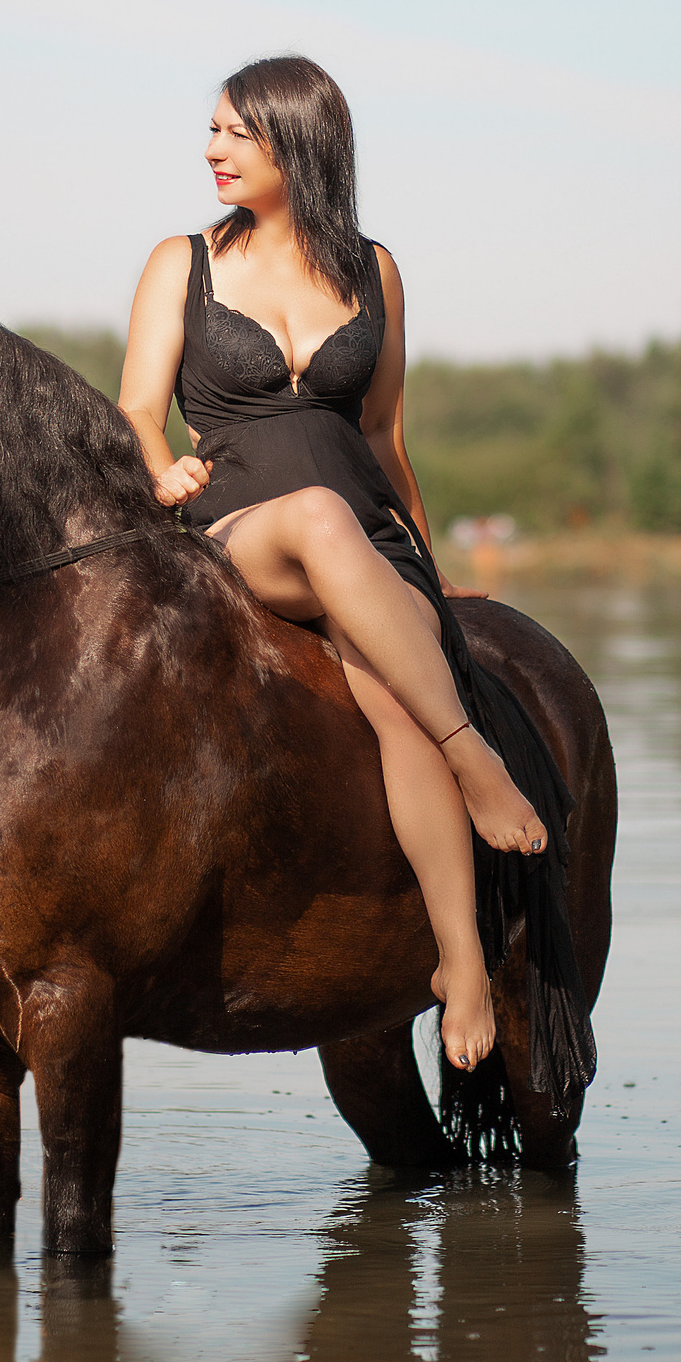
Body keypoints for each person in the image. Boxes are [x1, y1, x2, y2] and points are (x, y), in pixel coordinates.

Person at [116, 54, 554, 1076]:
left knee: (395, 695)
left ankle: (461, 967)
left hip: (366, 538)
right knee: (314, 514)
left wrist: (429, 577)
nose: (211, 150)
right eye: (213, 130)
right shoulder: (181, 261)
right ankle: (474, 756)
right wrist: (159, 470)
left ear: (296, 144)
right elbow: (137, 406)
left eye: (235, 133)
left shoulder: (374, 268)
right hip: (240, 536)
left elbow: (388, 435)